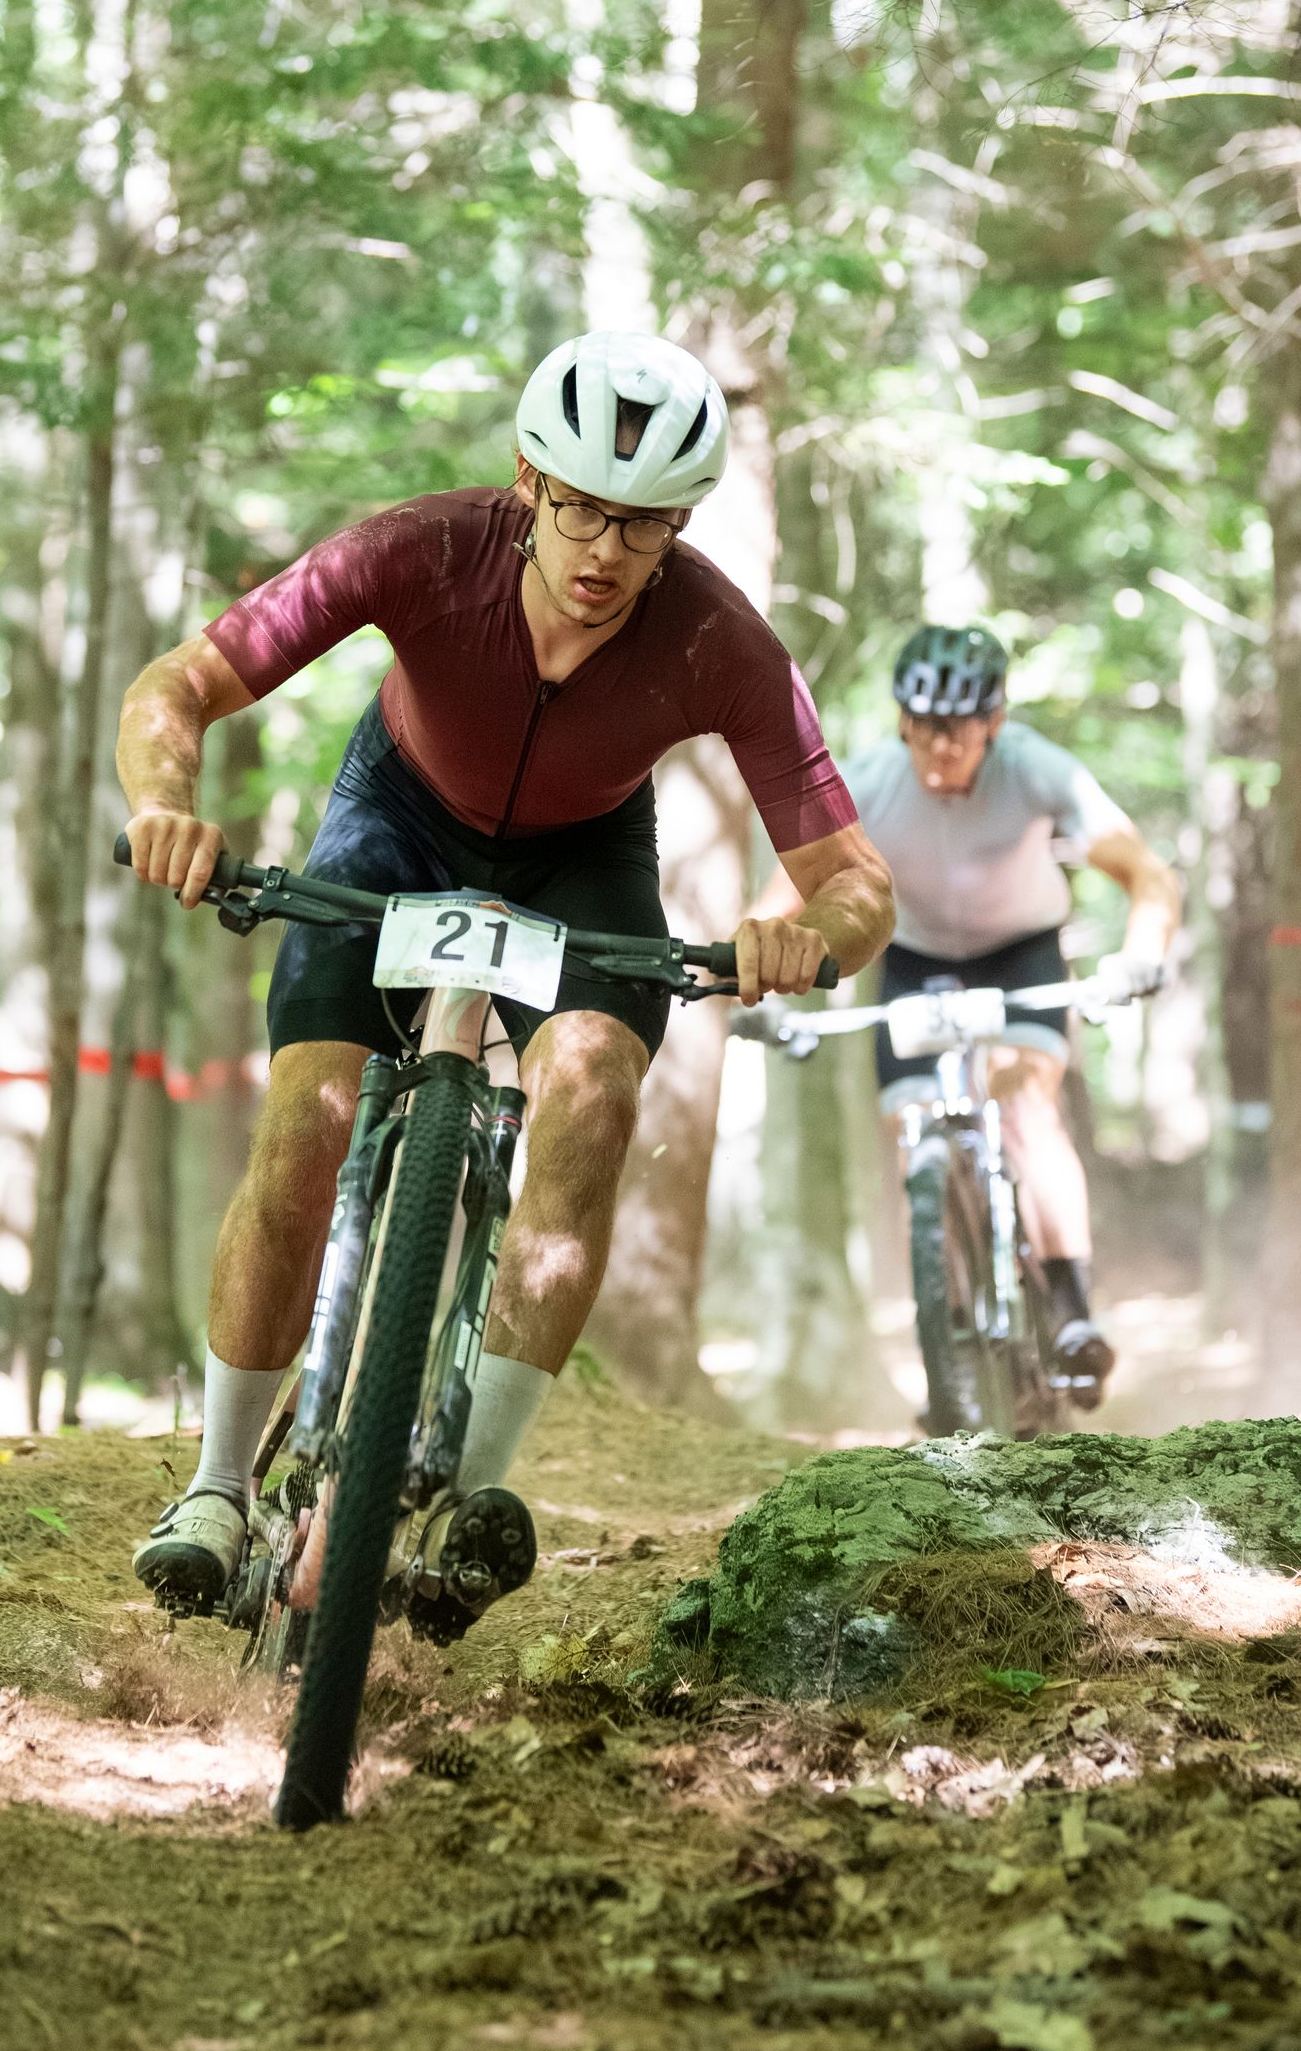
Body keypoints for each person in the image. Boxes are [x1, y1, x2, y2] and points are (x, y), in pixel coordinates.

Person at [115, 331, 894, 1637]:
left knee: (588, 1099)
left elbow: (855, 874)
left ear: (680, 527)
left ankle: (466, 1493)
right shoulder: (417, 551)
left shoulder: (719, 638)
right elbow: (180, 683)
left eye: (641, 527)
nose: (603, 552)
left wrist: (803, 929)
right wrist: (165, 802)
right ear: (528, 479)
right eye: (581, 507)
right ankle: (212, 1489)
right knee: (307, 1120)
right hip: (396, 819)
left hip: (581, 862)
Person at [761, 623, 1180, 1407]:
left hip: (1020, 952)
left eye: (957, 731)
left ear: (994, 722)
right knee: (915, 1128)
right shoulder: (869, 784)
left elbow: (1146, 873)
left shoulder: (1037, 771)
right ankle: (950, 1340)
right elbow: (784, 897)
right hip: (916, 963)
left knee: (1024, 1101)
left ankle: (1069, 1311)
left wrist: (1143, 950)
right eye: (922, 729)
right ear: (900, 722)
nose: (939, 749)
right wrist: (754, 969)